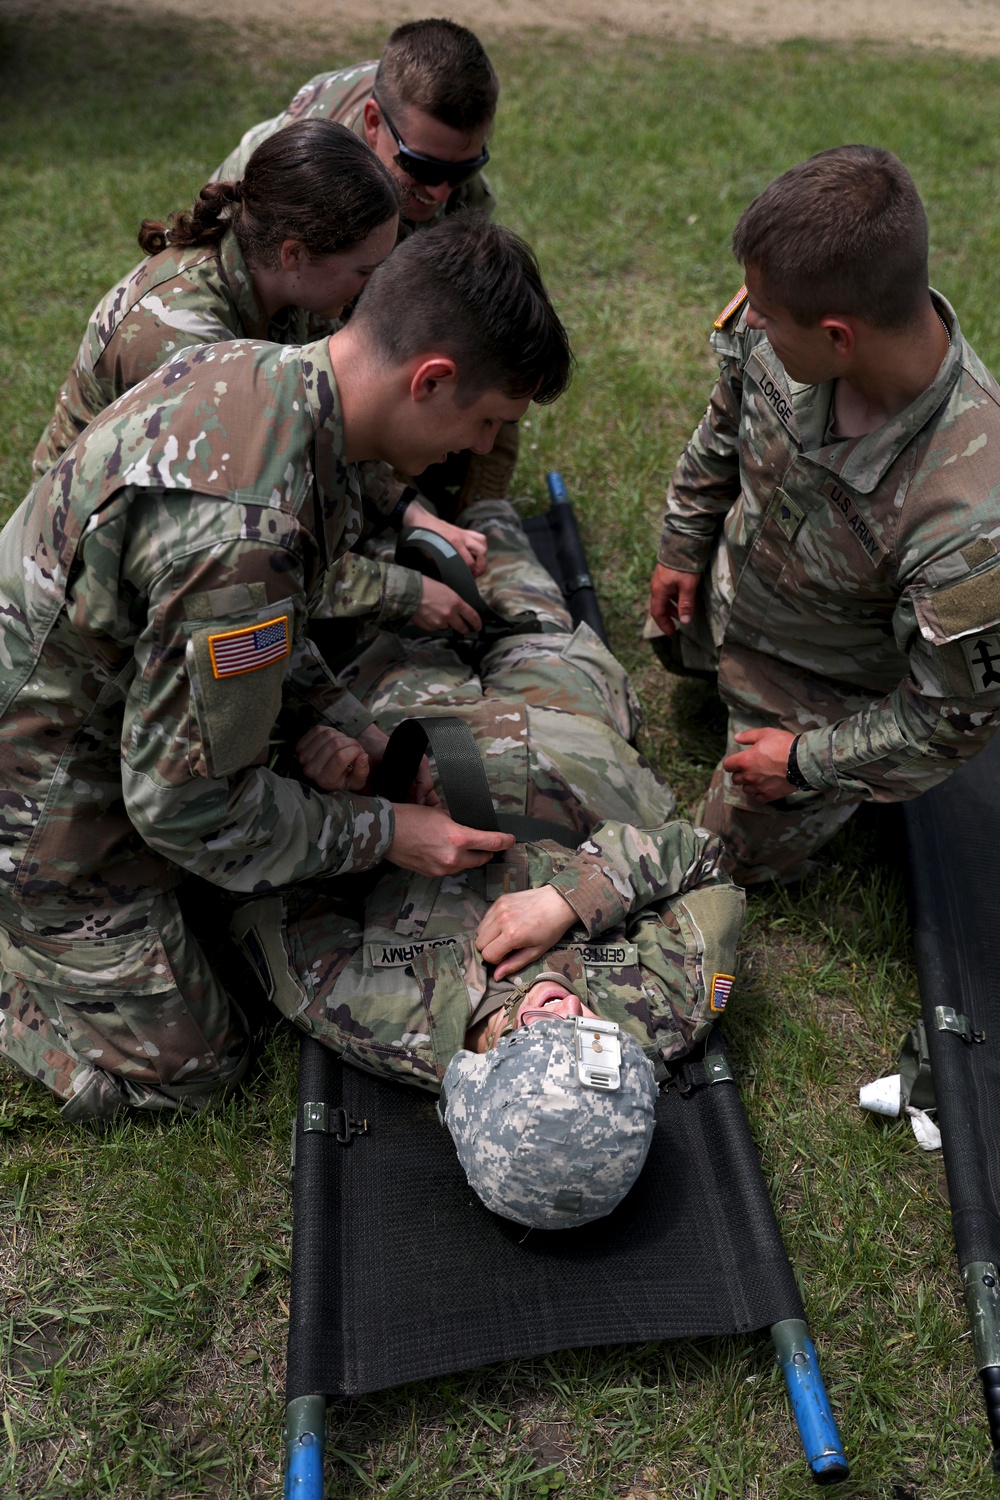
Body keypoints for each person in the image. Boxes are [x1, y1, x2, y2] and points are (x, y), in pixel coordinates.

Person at [0, 217, 572, 1124]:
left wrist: (342, 717)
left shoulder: (277, 384)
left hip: (105, 707)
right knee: (195, 1067)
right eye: (487, 422)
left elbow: (273, 626)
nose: (475, 450)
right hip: (35, 789)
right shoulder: (244, 527)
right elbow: (184, 810)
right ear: (431, 381)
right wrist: (385, 832)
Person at [231, 502, 745, 1227]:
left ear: (473, 1076)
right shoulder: (662, 1008)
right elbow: (706, 866)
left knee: (367, 569)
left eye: (530, 1037)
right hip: (571, 727)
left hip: (407, 732)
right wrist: (576, 896)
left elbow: (263, 894)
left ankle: (379, 500)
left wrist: (352, 804)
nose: (562, 1011)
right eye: (592, 1033)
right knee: (497, 545)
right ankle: (469, 502)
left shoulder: (374, 1008)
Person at [646, 145, 1000, 886]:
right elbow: (723, 420)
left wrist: (808, 763)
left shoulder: (973, 522)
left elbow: (948, 719)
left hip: (825, 696)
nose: (754, 325)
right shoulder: (793, 321)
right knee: (670, 658)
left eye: (768, 319)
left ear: (839, 336)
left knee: (718, 862)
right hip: (727, 597)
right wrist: (682, 545)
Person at [31, 119, 485, 638]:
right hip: (85, 584)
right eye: (363, 271)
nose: (370, 289)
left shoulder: (287, 285)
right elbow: (241, 538)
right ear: (295, 254)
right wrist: (403, 594)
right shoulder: (181, 341)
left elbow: (326, 423)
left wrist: (409, 513)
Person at [214, 19, 517, 513]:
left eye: (461, 171)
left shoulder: (429, 152)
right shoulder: (299, 199)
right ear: (374, 123)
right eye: (422, 168)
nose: (440, 193)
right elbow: (295, 395)